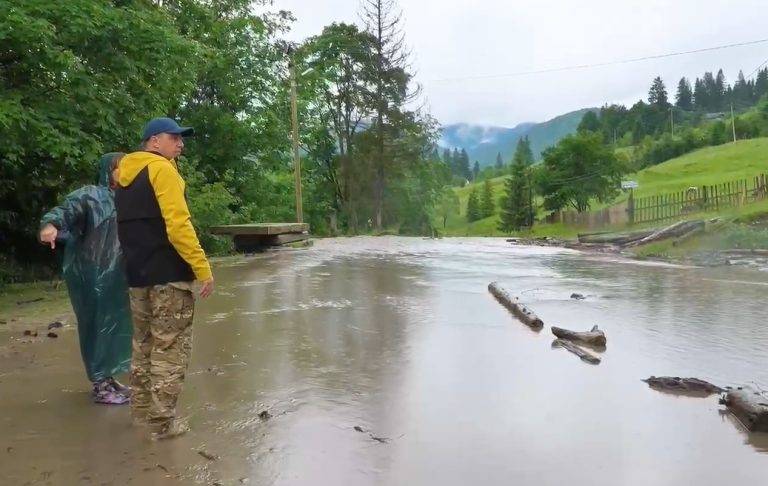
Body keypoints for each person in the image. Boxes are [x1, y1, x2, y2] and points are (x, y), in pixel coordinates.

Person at [114, 117, 214, 439]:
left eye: (181, 139)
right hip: (169, 277)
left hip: (137, 276)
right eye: (175, 138)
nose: (180, 144)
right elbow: (178, 226)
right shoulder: (162, 170)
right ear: (154, 141)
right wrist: (202, 268)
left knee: (142, 346)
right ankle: (163, 425)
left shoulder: (122, 177)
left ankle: (142, 415)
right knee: (170, 349)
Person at [39, 153, 133, 405]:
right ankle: (100, 383)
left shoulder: (128, 198)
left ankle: (108, 377)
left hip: (116, 274)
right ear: (108, 170)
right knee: (97, 325)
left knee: (116, 325)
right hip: (90, 272)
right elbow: (64, 210)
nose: (125, 171)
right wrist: (50, 225)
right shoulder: (91, 195)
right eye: (120, 167)